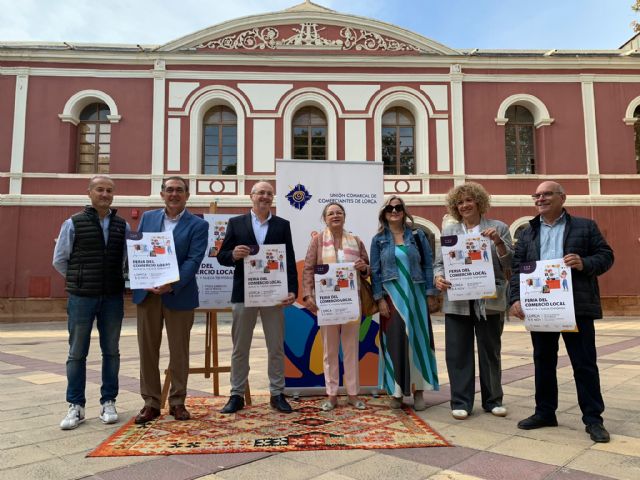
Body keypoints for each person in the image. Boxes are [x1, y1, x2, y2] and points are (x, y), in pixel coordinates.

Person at [509, 181, 614, 443]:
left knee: (584, 364)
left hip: (575, 307)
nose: (541, 198)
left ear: (562, 198)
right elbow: (517, 268)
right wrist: (515, 299)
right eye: (537, 195)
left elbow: (606, 256)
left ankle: (593, 419)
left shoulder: (585, 227)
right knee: (543, 361)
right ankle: (545, 412)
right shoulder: (527, 232)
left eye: (547, 194)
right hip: (541, 307)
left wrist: (584, 262)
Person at [52, 175, 128, 430]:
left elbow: (127, 261)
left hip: (112, 297)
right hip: (81, 298)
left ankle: (109, 401)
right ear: (89, 193)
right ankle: (76, 406)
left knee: (112, 352)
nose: (105, 194)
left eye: (109, 190)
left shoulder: (122, 225)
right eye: (100, 189)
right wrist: (80, 280)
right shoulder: (73, 223)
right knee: (76, 353)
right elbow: (60, 259)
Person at [217, 181, 298, 414]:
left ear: (273, 198)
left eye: (268, 193)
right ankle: (236, 394)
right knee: (240, 347)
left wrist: (292, 289)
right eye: (260, 192)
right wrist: (233, 254)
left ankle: (277, 393)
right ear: (251, 196)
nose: (264, 196)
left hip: (274, 294)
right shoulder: (235, 223)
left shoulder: (282, 225)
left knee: (275, 346)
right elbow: (221, 256)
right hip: (244, 293)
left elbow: (289, 260)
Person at [433, 182, 513, 420]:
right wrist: (438, 277)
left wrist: (498, 241)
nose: (465, 205)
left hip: (488, 299)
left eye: (469, 200)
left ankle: (493, 400)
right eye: (460, 202)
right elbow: (440, 263)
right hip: (457, 299)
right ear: (455, 207)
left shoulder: (498, 227)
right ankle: (461, 401)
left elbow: (509, 263)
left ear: (479, 202)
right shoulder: (450, 232)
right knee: (458, 352)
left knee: (490, 351)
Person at [132, 176, 208, 424]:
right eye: (169, 190)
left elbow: (194, 261)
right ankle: (151, 403)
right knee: (147, 350)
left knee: (179, 352)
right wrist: (143, 276)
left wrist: (171, 284)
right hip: (148, 294)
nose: (174, 194)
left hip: (179, 294)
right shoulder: (148, 218)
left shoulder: (198, 224)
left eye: (179, 190)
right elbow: (141, 251)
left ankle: (177, 402)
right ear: (162, 193)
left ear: (187, 194)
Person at [370, 196, 439, 410]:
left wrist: (430, 293)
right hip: (392, 298)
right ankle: (396, 392)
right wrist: (379, 299)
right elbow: (375, 271)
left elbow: (428, 265)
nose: (394, 210)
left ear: (403, 211)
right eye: (390, 208)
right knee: (394, 343)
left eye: (398, 207)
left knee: (419, 342)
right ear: (384, 213)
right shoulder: (378, 239)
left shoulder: (418, 236)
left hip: (416, 295)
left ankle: (419, 391)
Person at [302, 202, 370, 411]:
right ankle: (331, 394)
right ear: (325, 218)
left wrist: (363, 267)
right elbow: (308, 269)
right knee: (329, 351)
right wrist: (307, 295)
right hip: (327, 304)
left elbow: (368, 268)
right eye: (331, 213)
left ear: (344, 216)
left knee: (351, 349)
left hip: (351, 303)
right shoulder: (318, 240)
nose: (335, 215)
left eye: (339, 212)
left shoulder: (356, 241)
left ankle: (352, 393)